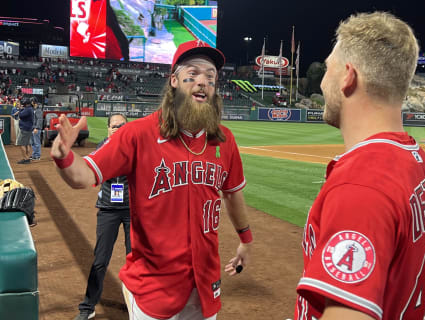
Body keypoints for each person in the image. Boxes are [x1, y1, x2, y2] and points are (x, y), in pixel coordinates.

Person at [51, 40, 252, 320]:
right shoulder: (138, 134)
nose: (202, 82)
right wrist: (64, 156)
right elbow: (83, 176)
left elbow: (232, 192)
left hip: (206, 283)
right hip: (155, 286)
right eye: (192, 74)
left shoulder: (224, 139)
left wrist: (245, 239)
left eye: (210, 77)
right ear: (174, 81)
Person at [294, 12, 425, 320]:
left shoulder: (361, 183)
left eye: (328, 68)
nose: (323, 80)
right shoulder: (418, 161)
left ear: (348, 76)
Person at [74, 113, 131, 320]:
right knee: (100, 260)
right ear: (108, 129)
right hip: (108, 209)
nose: (117, 129)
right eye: (114, 126)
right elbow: (89, 170)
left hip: (132, 211)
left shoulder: (136, 148)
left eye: (122, 126)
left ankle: (138, 308)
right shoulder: (102, 147)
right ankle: (88, 307)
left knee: (135, 260)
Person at [17, 98, 34, 164]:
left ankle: (25, 158)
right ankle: (27, 157)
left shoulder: (28, 109)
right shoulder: (29, 109)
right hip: (28, 128)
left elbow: (20, 115)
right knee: (27, 144)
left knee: (22, 144)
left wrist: (20, 109)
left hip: (25, 129)